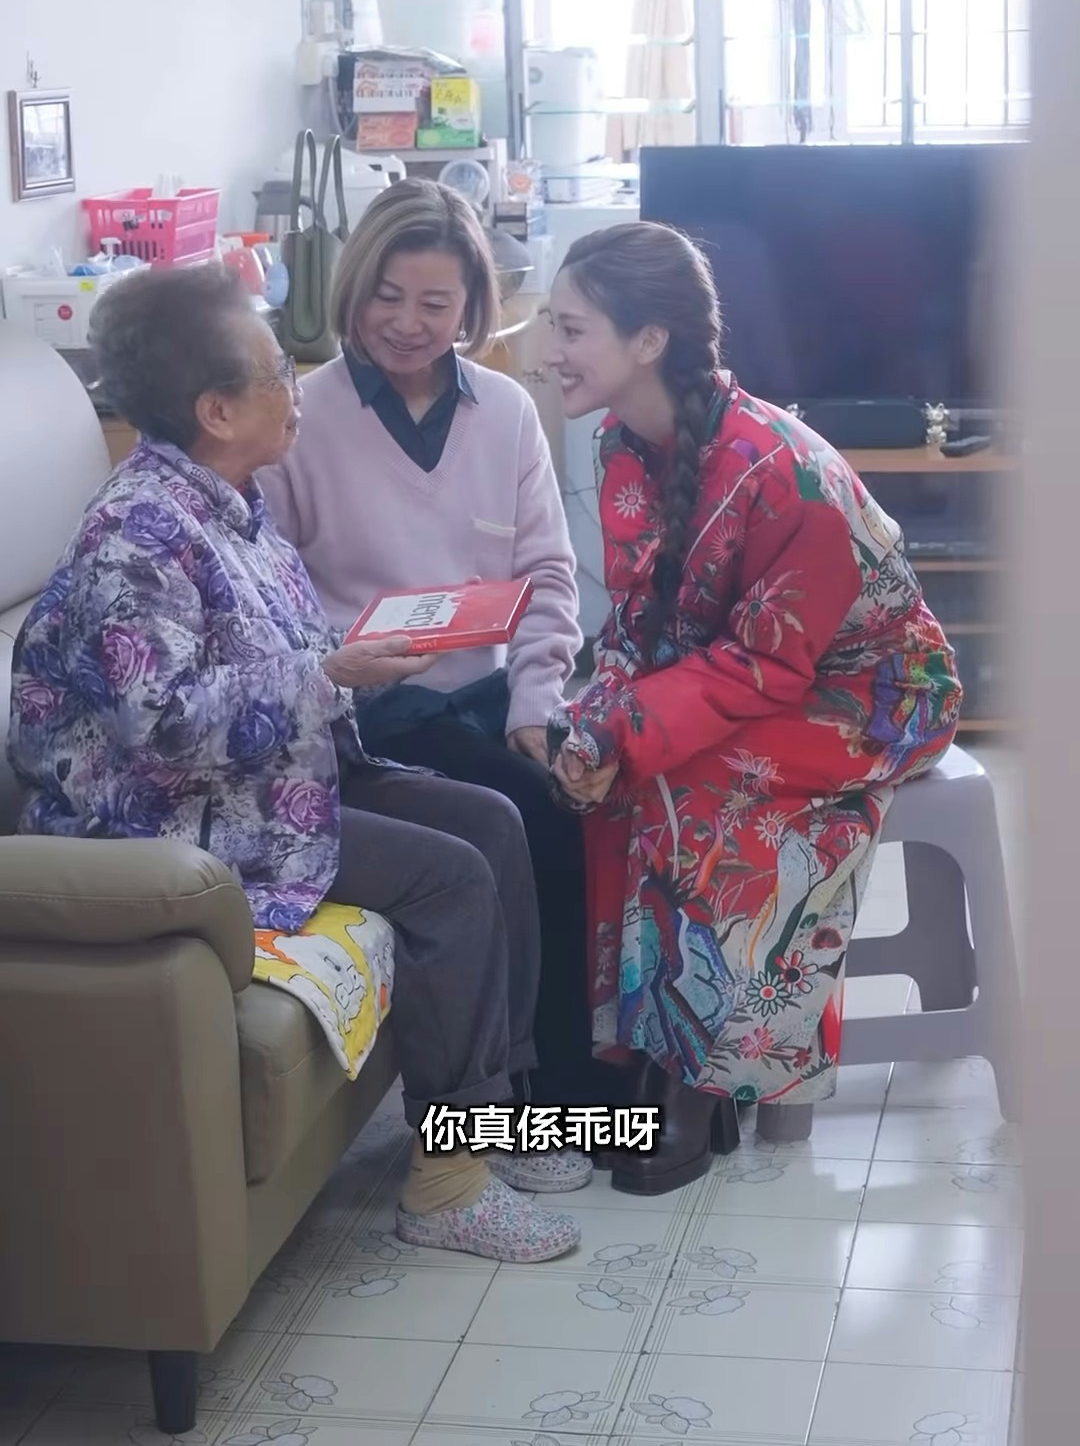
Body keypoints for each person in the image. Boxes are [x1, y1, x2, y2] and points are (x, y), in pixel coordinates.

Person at [8, 263, 589, 1262]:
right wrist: (328, 673)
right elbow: (164, 729)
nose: (297, 383)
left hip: (270, 775)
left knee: (495, 820)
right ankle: (446, 1184)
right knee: (450, 878)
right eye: (278, 367)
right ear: (217, 410)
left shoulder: (226, 498)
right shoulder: (135, 536)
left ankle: (503, 1118)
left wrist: (354, 660)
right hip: (170, 818)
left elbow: (277, 647)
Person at [545, 222, 963, 1195]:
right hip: (749, 675)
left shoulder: (782, 470)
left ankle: (704, 1078)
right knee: (600, 778)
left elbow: (768, 666)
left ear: (648, 340)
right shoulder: (621, 442)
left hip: (875, 694)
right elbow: (641, 623)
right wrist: (594, 725)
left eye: (569, 329)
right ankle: (639, 1048)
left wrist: (630, 728)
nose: (548, 350)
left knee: (695, 778)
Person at [260, 180, 603, 1105]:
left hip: (488, 698)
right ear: (354, 288)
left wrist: (537, 706)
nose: (407, 324)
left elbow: (548, 578)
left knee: (584, 798)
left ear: (471, 308)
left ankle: (579, 1072)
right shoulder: (298, 419)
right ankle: (543, 1098)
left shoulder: (507, 411)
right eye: (387, 296)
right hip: (373, 712)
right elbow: (269, 599)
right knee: (531, 817)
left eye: (435, 303)